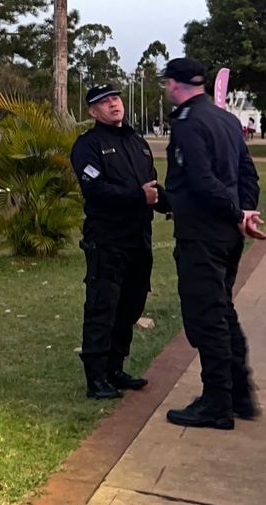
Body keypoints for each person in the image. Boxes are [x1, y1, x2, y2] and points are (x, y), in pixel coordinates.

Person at [162, 57, 263, 429]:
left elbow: (201, 181)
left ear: (174, 84)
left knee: (207, 318)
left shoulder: (188, 124)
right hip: (227, 237)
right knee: (223, 311)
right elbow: (247, 173)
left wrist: (236, 213)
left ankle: (217, 402)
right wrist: (245, 211)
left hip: (202, 235)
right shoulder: (226, 119)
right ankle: (240, 395)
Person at [70, 84, 164, 400]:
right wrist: (138, 196)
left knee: (130, 307)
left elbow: (153, 189)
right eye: (104, 102)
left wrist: (176, 205)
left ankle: (115, 369)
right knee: (103, 308)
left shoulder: (138, 143)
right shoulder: (88, 145)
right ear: (93, 111)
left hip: (139, 241)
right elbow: (95, 188)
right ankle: (96, 378)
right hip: (108, 241)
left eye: (115, 98)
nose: (113, 104)